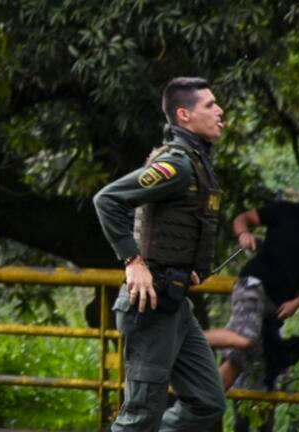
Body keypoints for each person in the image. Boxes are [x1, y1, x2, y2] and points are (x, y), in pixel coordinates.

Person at [93, 77, 227, 431]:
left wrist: (186, 265)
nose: (220, 111)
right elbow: (107, 200)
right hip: (149, 304)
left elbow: (174, 225)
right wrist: (133, 261)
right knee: (140, 417)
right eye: (210, 105)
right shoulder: (176, 165)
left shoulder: (197, 163)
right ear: (184, 115)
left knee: (208, 402)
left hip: (175, 302)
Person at [203, 202, 299, 431]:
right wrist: (243, 234)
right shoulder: (286, 210)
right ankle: (187, 336)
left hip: (276, 307)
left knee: (245, 361)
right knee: (245, 338)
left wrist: (296, 303)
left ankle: (199, 405)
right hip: (254, 284)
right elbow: (243, 218)